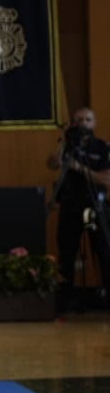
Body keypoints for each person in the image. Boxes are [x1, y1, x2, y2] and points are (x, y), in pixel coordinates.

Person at [47, 107, 110, 309]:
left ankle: (106, 295)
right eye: (79, 120)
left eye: (88, 120)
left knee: (102, 249)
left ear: (94, 123)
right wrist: (63, 143)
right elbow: (51, 164)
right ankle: (65, 298)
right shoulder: (67, 146)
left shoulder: (102, 148)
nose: (84, 123)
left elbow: (106, 180)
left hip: (93, 207)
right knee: (67, 252)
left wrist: (79, 168)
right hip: (70, 206)